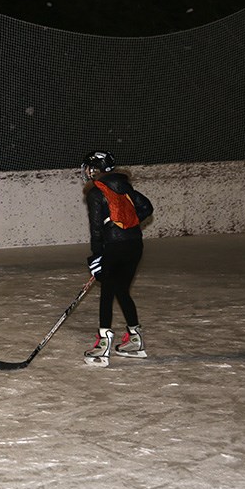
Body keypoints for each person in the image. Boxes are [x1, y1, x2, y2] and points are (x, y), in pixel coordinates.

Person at [81, 151, 154, 367]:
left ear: (95, 169)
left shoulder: (96, 192)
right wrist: (127, 223)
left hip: (113, 247)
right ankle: (135, 339)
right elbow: (147, 208)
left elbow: (96, 230)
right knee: (121, 290)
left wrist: (96, 257)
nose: (86, 172)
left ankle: (102, 346)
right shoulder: (126, 187)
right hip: (134, 245)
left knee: (107, 293)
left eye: (88, 167)